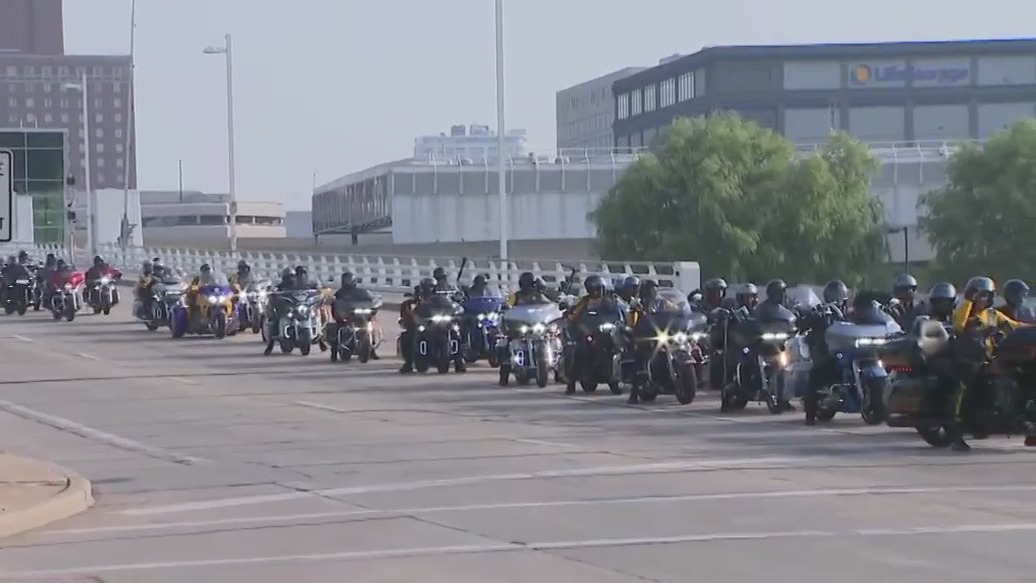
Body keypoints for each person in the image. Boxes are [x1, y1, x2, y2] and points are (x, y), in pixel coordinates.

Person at [948, 276, 1023, 451]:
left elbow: (1014, 325)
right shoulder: (965, 312)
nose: (985, 299)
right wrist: (969, 302)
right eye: (981, 295)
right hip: (967, 361)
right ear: (972, 295)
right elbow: (959, 326)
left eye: (988, 296)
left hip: (986, 360)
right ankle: (957, 436)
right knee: (967, 393)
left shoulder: (992, 314)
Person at [625, 280, 677, 404]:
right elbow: (632, 322)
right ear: (644, 291)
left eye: (655, 290)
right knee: (640, 358)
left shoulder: (662, 303)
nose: (653, 292)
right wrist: (634, 314)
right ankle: (634, 392)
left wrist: (681, 314)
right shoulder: (638, 304)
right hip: (644, 336)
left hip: (661, 333)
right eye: (650, 290)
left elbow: (676, 311)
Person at [398, 278, 435, 373]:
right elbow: (411, 311)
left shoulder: (438, 298)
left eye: (431, 287)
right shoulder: (417, 300)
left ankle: (459, 361)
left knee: (454, 332)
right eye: (428, 287)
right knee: (407, 336)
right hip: (422, 324)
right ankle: (409, 362)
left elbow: (447, 306)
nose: (429, 289)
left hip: (436, 324)